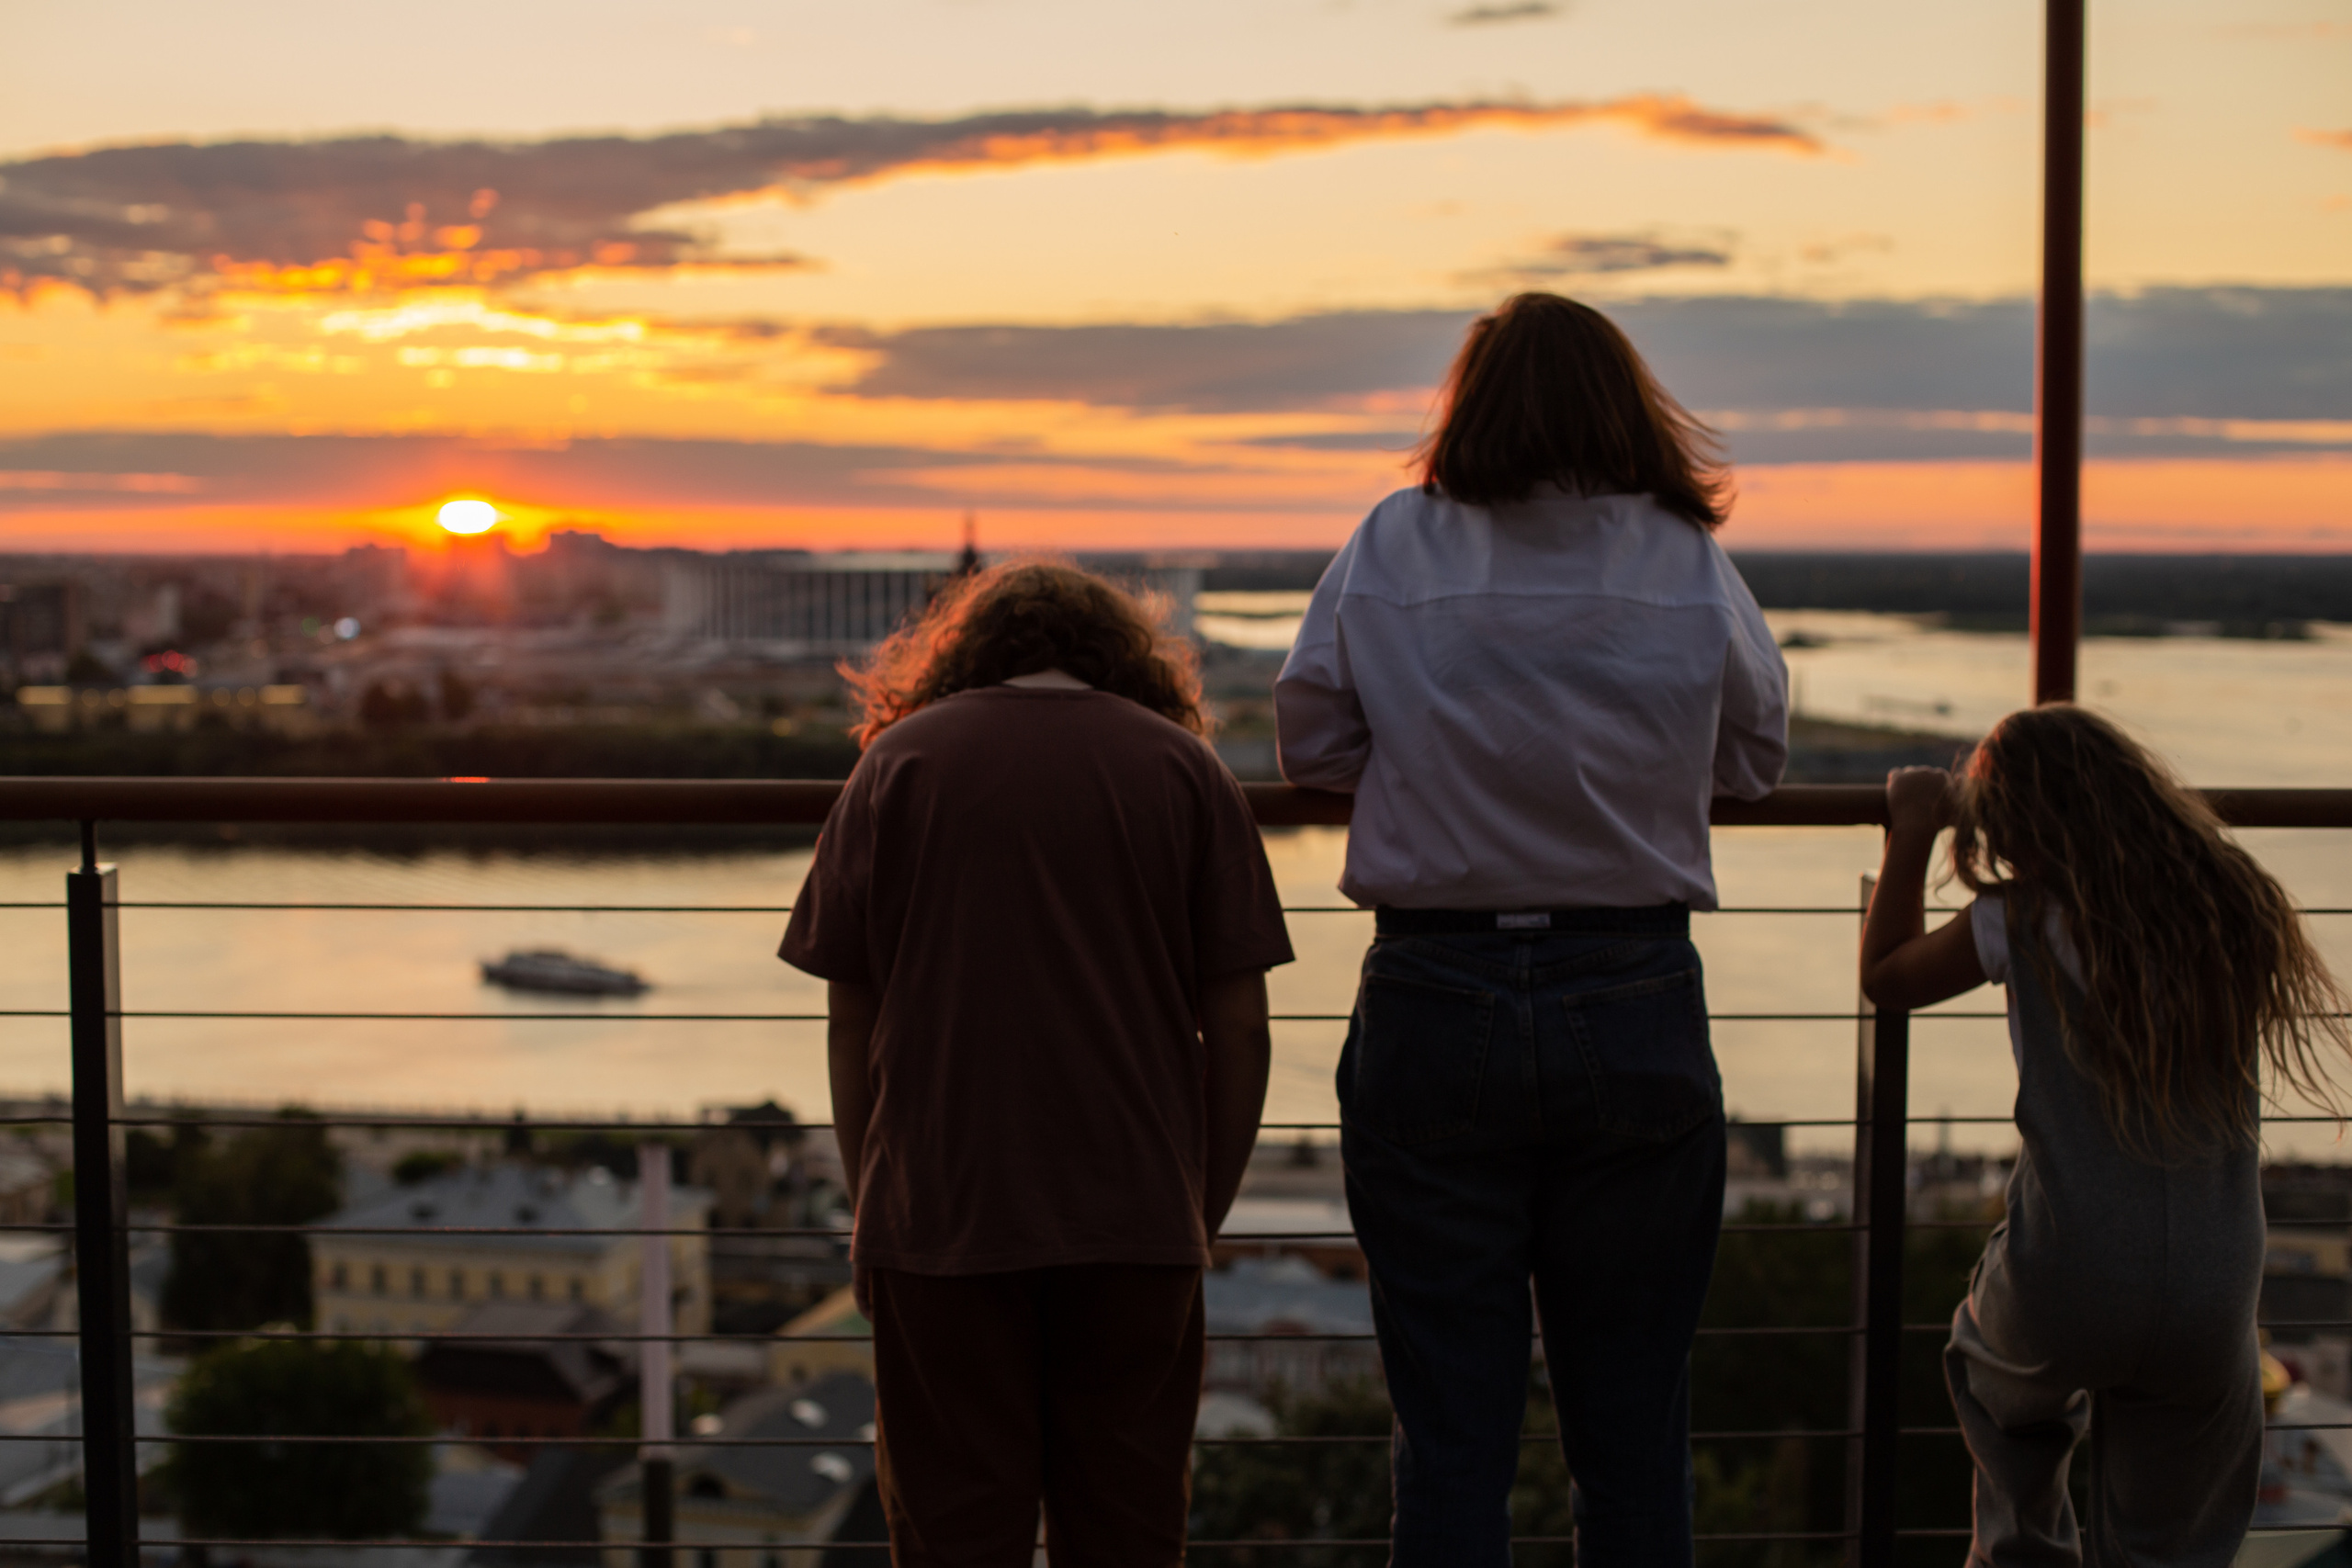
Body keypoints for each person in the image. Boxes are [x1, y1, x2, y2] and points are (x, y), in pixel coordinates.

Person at [1274, 291, 1789, 1565]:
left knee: (1450, 1429)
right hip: (1632, 984)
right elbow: (1759, 758)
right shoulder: (1681, 553)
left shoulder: (1395, 541)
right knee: (1630, 1426)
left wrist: (1448, 754)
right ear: (1630, 406)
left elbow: (1310, 740)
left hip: (1434, 986)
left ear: (1471, 403)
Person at [779, 561, 1294, 1568]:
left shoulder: (898, 764)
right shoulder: (1184, 772)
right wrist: (1199, 1207)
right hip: (1135, 1213)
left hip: (942, 1213)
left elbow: (852, 1020)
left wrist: (873, 1203)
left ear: (960, 656)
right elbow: (1239, 1031)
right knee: (1128, 1530)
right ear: (1124, 661)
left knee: (953, 1533)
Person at [1860, 705, 2352, 1566]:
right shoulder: (2229, 900)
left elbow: (1887, 976)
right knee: (2175, 1534)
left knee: (1990, 1363)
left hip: (2067, 1275)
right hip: (2213, 1280)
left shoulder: (2021, 915)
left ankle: (2027, 1546)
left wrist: (1909, 825)